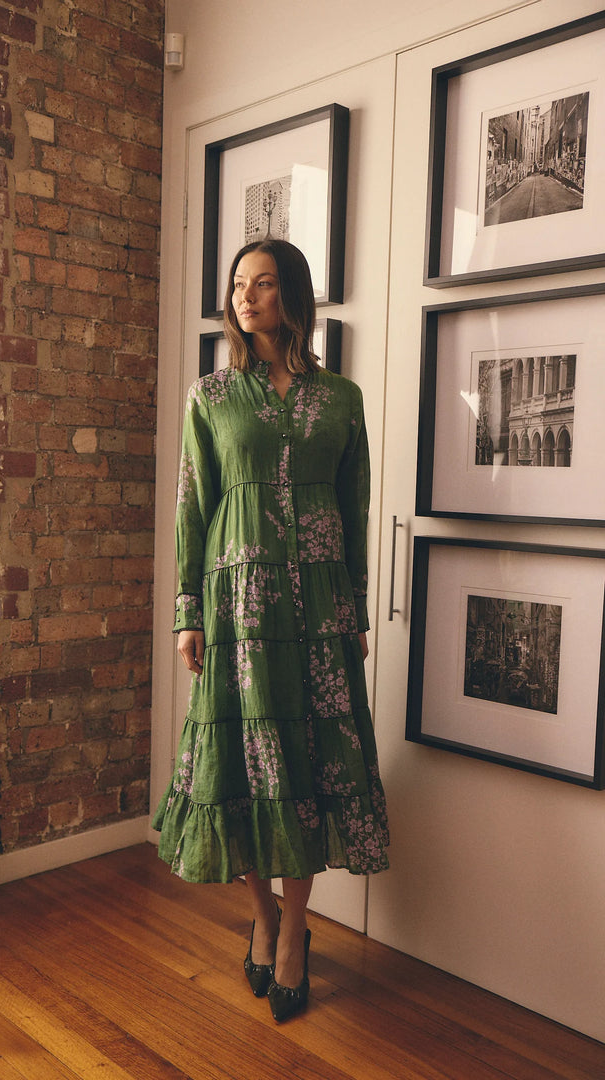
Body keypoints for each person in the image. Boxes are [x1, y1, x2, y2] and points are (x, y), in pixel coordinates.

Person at [153, 238, 389, 1022]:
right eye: (238, 284)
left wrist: (354, 606)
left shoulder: (343, 399)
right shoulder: (211, 395)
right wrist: (188, 610)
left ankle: (294, 934)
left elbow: (354, 512)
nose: (246, 295)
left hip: (320, 608)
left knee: (308, 764)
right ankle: (264, 911)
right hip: (238, 608)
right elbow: (193, 506)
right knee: (236, 767)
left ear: (294, 295)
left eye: (263, 283)